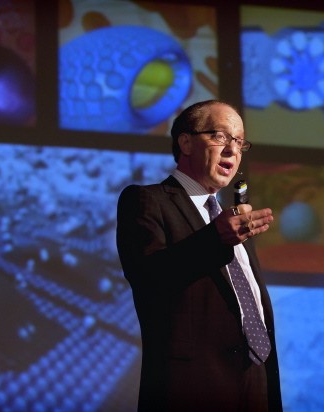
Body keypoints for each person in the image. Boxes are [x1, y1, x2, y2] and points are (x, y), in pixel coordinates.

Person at [116, 100, 282, 412]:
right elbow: (148, 277)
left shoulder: (231, 220)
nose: (232, 150)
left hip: (256, 385)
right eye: (220, 136)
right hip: (191, 387)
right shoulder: (147, 201)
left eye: (239, 141)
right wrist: (215, 239)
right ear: (186, 142)